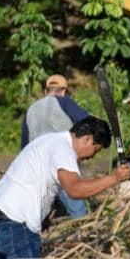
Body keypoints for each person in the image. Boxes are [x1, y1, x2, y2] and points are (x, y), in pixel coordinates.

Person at [0, 116, 130, 259]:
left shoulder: (49, 140)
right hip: (14, 224)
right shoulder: (64, 150)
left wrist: (43, 216)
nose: (91, 157)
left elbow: (38, 179)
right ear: (87, 139)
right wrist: (114, 178)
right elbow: (74, 190)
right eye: (95, 150)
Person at [21, 73, 90, 218]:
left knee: (38, 215)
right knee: (79, 212)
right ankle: (83, 227)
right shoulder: (65, 102)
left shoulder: (30, 110)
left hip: (37, 167)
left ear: (46, 91)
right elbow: (88, 123)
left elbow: (24, 147)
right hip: (61, 166)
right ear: (64, 92)